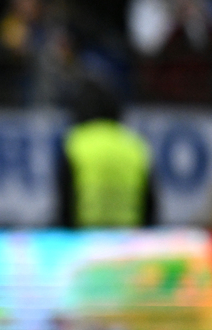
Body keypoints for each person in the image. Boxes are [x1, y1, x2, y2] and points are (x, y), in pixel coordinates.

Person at [57, 81, 157, 228]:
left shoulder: (76, 142)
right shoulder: (135, 145)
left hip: (86, 238)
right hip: (129, 238)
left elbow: (66, 203)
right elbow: (150, 204)